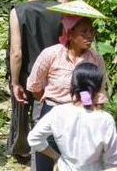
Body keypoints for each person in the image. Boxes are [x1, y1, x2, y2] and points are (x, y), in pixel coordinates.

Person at [27, 11, 108, 170]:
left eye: (91, 31)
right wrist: (50, 101)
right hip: (52, 110)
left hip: (82, 115)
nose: (90, 36)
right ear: (69, 33)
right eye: (84, 32)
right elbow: (34, 85)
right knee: (46, 159)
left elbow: (98, 93)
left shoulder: (95, 59)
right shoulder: (52, 54)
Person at [6, 0, 69, 161]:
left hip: (26, 72)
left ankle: (22, 146)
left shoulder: (18, 11)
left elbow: (16, 52)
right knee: (45, 113)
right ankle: (47, 149)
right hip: (51, 74)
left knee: (21, 109)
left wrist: (15, 82)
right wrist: (63, 6)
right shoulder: (59, 10)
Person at [28, 62, 117, 170]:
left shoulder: (58, 112)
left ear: (72, 85)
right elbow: (112, 163)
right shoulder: (105, 120)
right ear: (99, 88)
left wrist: (57, 157)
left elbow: (34, 138)